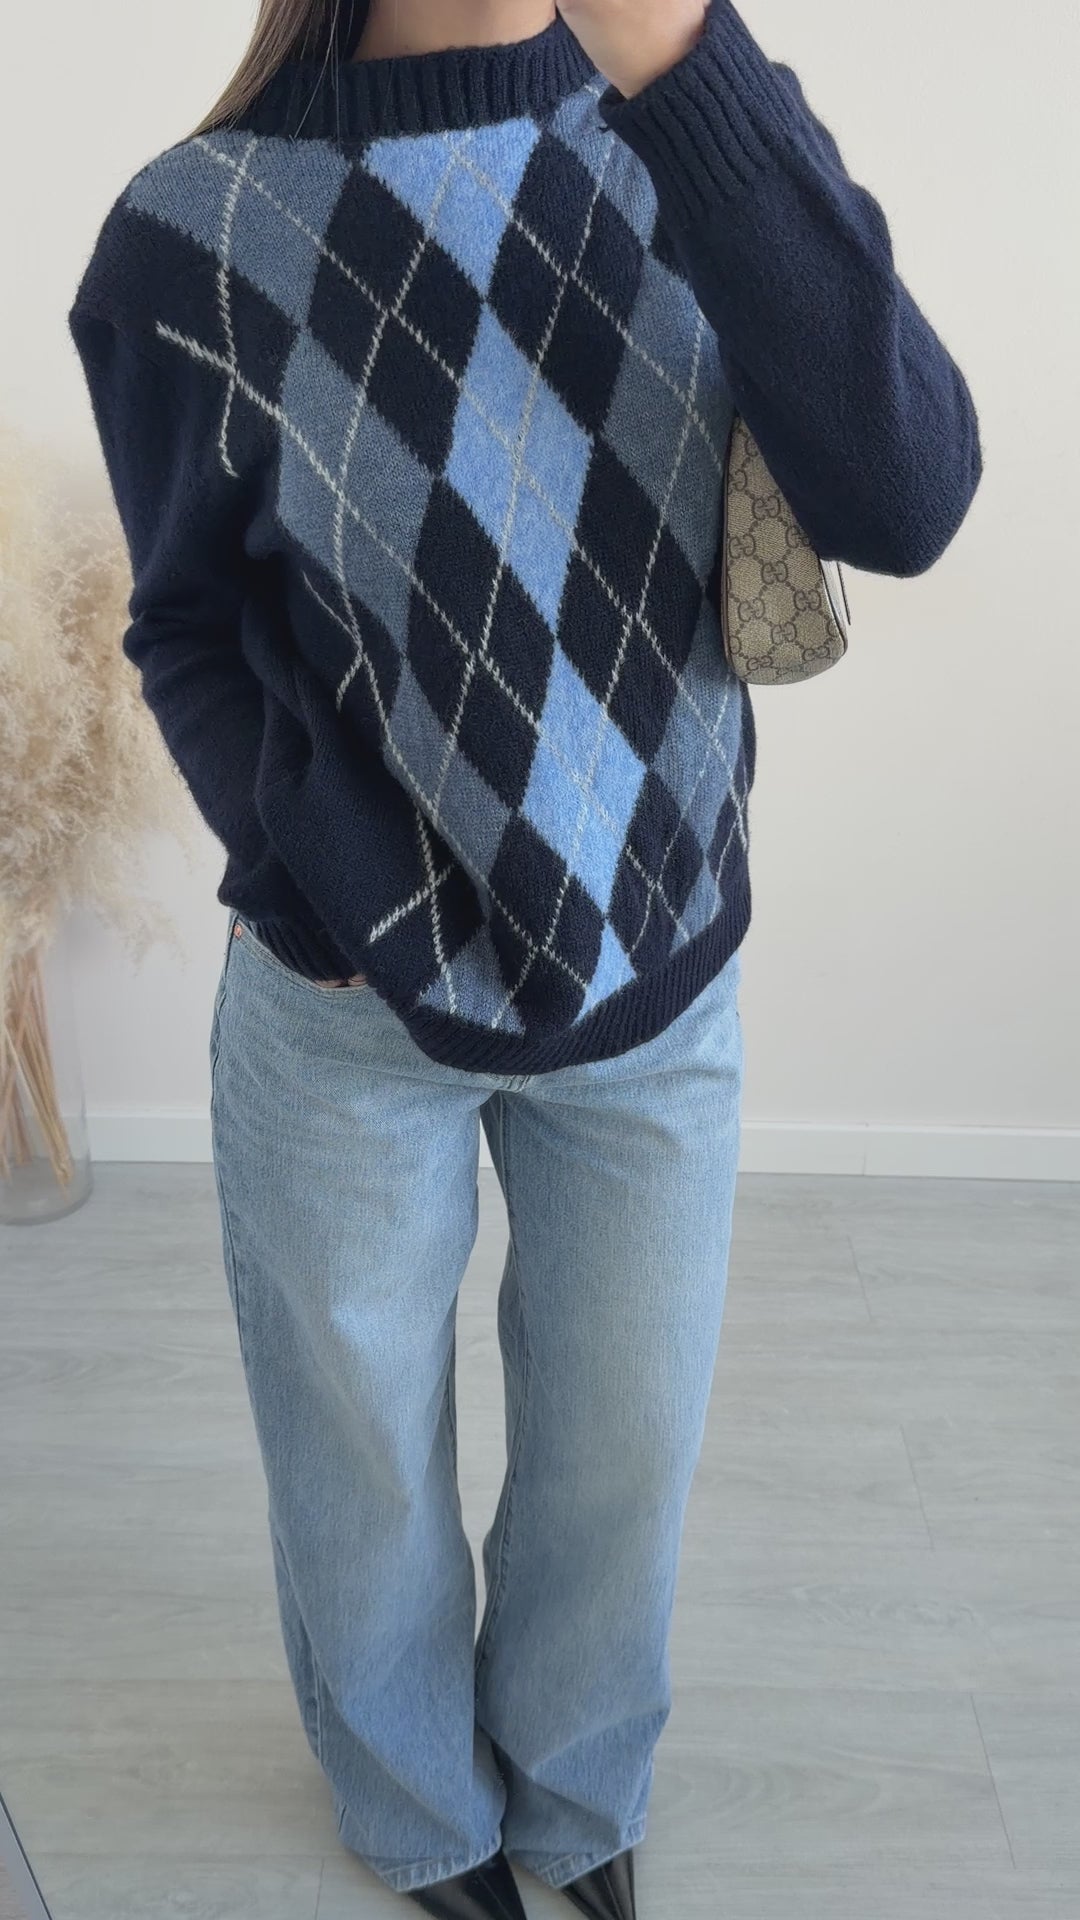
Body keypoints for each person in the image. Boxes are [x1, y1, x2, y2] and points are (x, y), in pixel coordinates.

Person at [66, 2, 982, 1914]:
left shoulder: (697, 130)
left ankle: (580, 1793)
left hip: (657, 978)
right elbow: (185, 623)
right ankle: (418, 1812)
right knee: (359, 1471)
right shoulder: (193, 233)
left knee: (620, 1455)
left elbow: (906, 496)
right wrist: (312, 887)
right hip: (347, 1010)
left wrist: (693, 71)